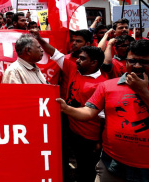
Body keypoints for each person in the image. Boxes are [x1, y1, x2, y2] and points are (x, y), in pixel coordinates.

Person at [56, 39, 149, 182]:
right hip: (111, 164)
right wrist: (66, 108)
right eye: (132, 61)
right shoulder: (108, 86)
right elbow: (89, 112)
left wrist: (143, 91)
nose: (137, 66)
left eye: (143, 62)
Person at [35, 28, 107, 181]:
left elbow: (103, 119)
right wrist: (39, 38)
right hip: (71, 130)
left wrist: (99, 142)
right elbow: (55, 53)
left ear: (93, 63)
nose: (78, 61)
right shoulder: (75, 67)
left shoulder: (101, 85)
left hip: (89, 139)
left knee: (87, 171)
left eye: (82, 59)